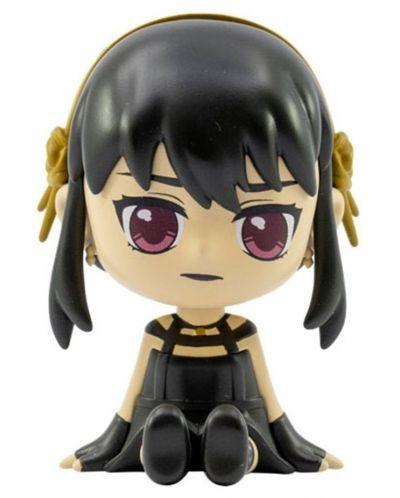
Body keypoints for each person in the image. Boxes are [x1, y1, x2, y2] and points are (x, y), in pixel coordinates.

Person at [38, 14, 358, 485]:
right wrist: (108, 444)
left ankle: (234, 448)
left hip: (242, 417)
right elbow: (127, 408)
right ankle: (166, 441)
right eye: (151, 224)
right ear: (77, 212)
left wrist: (291, 443)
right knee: (159, 422)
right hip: (157, 415)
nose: (202, 254)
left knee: (237, 430)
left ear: (320, 218)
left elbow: (271, 408)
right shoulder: (159, 335)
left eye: (264, 228)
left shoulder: (241, 337)